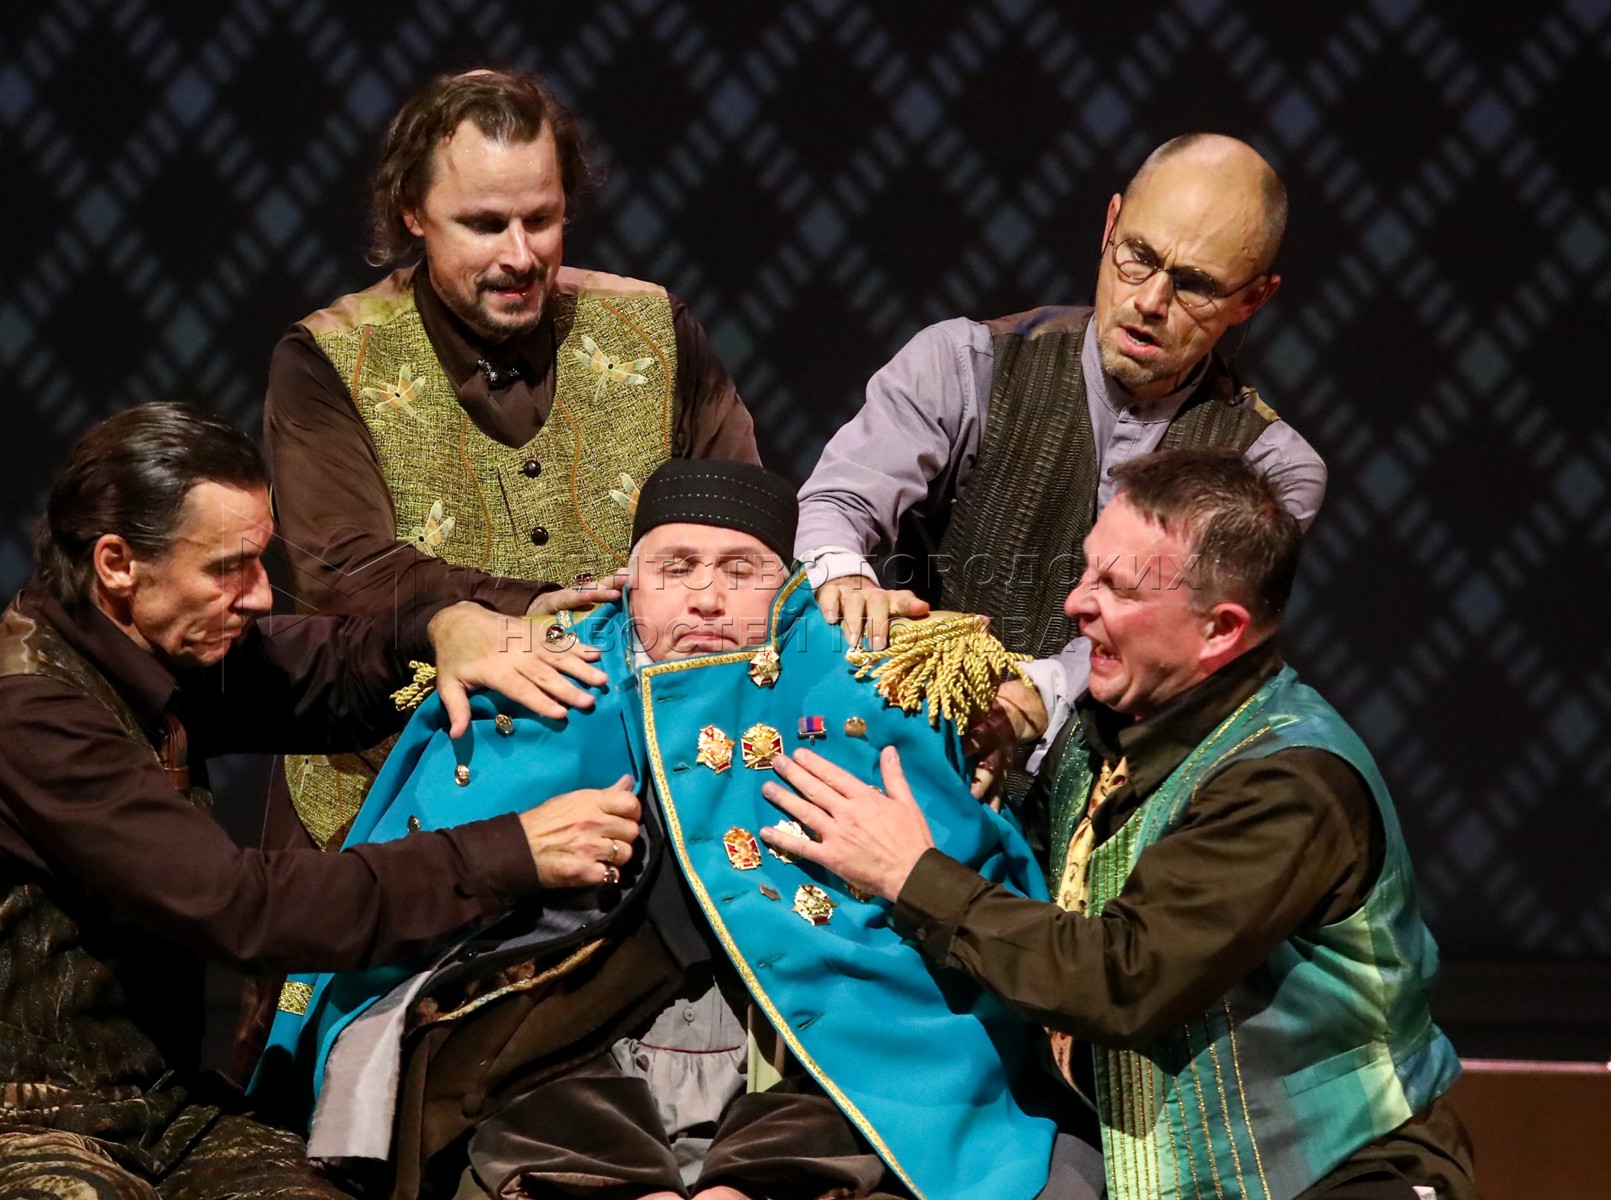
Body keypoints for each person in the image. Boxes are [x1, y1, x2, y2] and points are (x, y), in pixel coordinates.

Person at [0, 404, 645, 1200]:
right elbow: (240, 907)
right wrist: (511, 850)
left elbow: (325, 670)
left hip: (154, 1114)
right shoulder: (24, 712)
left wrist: (445, 625)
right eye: (229, 568)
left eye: (261, 562)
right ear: (117, 564)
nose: (260, 596)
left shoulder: (160, 647)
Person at [257, 460, 1078, 1200]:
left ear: (789, 584)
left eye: (741, 571)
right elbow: (423, 858)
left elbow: (970, 870)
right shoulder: (533, 674)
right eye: (674, 569)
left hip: (810, 1048)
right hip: (565, 1038)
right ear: (629, 582)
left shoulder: (872, 678)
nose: (706, 597)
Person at [764, 450, 1477, 1200]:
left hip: (1337, 1172)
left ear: (1219, 629)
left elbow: (1122, 981)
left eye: (1118, 588)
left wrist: (911, 873)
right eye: (1086, 571)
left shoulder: (1285, 781)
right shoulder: (1105, 727)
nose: (1075, 604)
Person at [263, 65, 759, 861]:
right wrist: (539, 609)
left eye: (542, 219)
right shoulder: (329, 356)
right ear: (412, 213)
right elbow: (343, 569)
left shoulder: (654, 327)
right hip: (397, 812)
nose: (521, 255)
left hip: (633, 797)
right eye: (485, 224)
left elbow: (739, 517)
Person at [797, 133, 1328, 768]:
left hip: (1117, 794)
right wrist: (841, 572)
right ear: (1110, 225)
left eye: (1195, 286)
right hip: (919, 758)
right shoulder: (965, 364)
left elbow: (1178, 635)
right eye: (1138, 256)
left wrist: (1041, 693)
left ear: (1253, 299)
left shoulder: (1269, 470)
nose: (1150, 302)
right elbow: (839, 502)